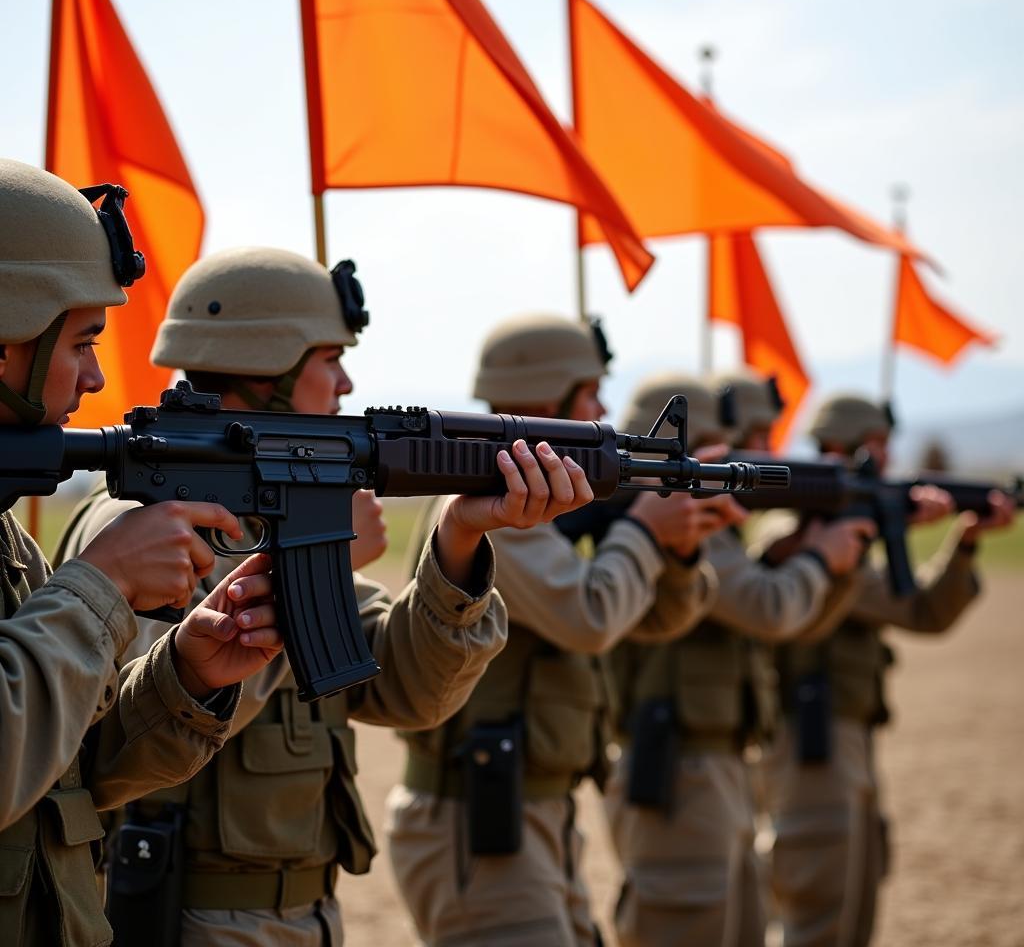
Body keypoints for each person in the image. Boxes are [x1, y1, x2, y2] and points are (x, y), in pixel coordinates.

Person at [55, 247, 593, 946]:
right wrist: (307, 568)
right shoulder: (140, 518)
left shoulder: (280, 516)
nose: (346, 382)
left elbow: (405, 692)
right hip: (182, 909)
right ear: (269, 363)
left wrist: (461, 538)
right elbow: (135, 728)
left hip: (303, 910)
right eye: (329, 358)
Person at [0, 159, 284, 945]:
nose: (95, 377)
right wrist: (102, 582)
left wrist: (184, 678)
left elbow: (66, 779)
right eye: (82, 341)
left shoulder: (6, 540)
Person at [386, 315, 738, 947]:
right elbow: (592, 618)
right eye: (591, 392)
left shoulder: (532, 502)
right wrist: (644, 532)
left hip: (531, 810)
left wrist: (678, 552)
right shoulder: (490, 504)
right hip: (484, 819)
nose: (604, 408)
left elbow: (652, 621)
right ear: (550, 399)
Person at [605, 372, 873, 947]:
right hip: (675, 767)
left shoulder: (696, 529)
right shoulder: (664, 526)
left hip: (715, 765)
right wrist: (822, 561)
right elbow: (769, 609)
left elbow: (789, 627)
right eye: (722, 448)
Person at [760, 393, 1016, 947]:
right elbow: (912, 609)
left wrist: (964, 540)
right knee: (820, 899)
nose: (884, 455)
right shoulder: (801, 537)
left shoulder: (836, 531)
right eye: (872, 446)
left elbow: (922, 611)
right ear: (838, 449)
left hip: (845, 731)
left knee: (856, 888)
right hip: (811, 737)